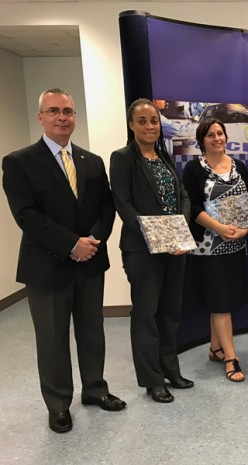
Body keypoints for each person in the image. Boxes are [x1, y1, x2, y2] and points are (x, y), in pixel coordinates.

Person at [2, 88, 125, 433]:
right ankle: (58, 404)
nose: (62, 117)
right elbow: (26, 214)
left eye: (68, 111)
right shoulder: (19, 162)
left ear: (74, 117)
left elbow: (106, 206)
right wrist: (71, 244)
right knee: (52, 339)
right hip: (47, 266)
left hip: (90, 263)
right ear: (41, 117)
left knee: (92, 331)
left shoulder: (92, 161)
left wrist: (92, 242)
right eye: (54, 111)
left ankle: (95, 389)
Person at [110, 98, 194, 403]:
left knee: (170, 313)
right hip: (143, 250)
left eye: (154, 121)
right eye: (142, 121)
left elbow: (183, 197)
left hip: (175, 248)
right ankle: (152, 380)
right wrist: (158, 236)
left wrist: (179, 230)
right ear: (131, 125)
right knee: (146, 315)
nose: (149, 126)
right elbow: (124, 205)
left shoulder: (164, 155)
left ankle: (171, 370)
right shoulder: (122, 158)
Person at [182, 118, 248, 382]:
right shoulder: (193, 168)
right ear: (202, 140)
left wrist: (244, 229)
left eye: (220, 133)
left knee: (222, 298)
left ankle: (215, 348)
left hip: (236, 243)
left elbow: (247, 203)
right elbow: (191, 207)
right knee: (221, 301)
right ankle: (231, 358)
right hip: (208, 246)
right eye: (210, 135)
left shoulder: (239, 166)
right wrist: (218, 228)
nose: (217, 139)